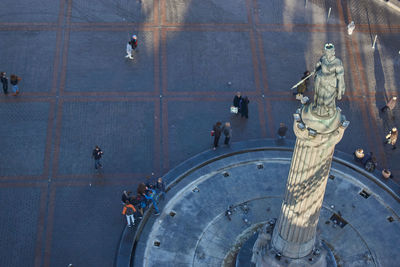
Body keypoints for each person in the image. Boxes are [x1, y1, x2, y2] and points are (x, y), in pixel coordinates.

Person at [312, 44, 345, 117]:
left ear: (333, 52)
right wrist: (316, 68)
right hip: (321, 82)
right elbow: (318, 66)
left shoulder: (337, 62)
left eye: (328, 52)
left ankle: (331, 112)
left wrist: (339, 92)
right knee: (319, 97)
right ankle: (319, 110)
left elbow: (340, 78)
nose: (326, 54)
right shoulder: (323, 58)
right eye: (325, 52)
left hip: (330, 85)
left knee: (327, 100)